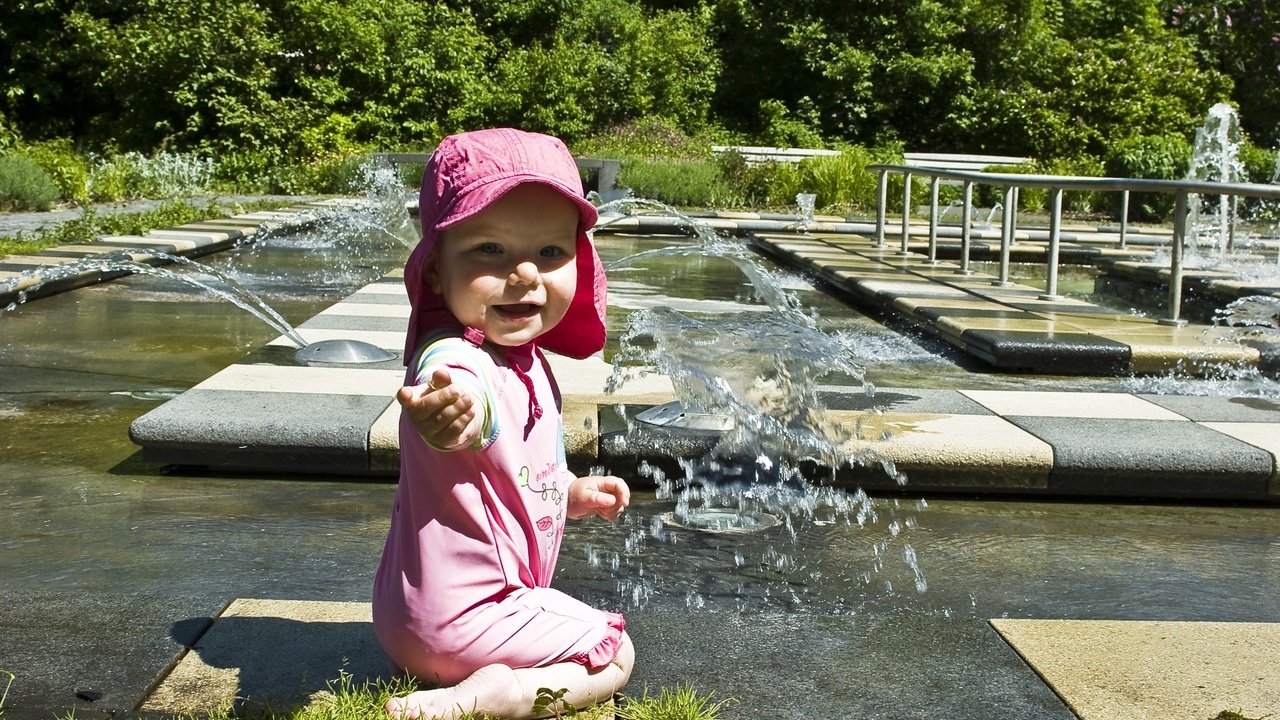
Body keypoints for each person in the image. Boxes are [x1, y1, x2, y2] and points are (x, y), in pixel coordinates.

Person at [372, 127, 634, 720]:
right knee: (615, 652)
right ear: (436, 270)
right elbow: (461, 402)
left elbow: (511, 479)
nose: (524, 274)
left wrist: (571, 493)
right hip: (469, 621)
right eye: (489, 250)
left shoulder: (530, 363)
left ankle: (441, 672)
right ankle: (505, 696)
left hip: (407, 620)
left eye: (549, 252)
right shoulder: (459, 361)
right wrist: (448, 417)